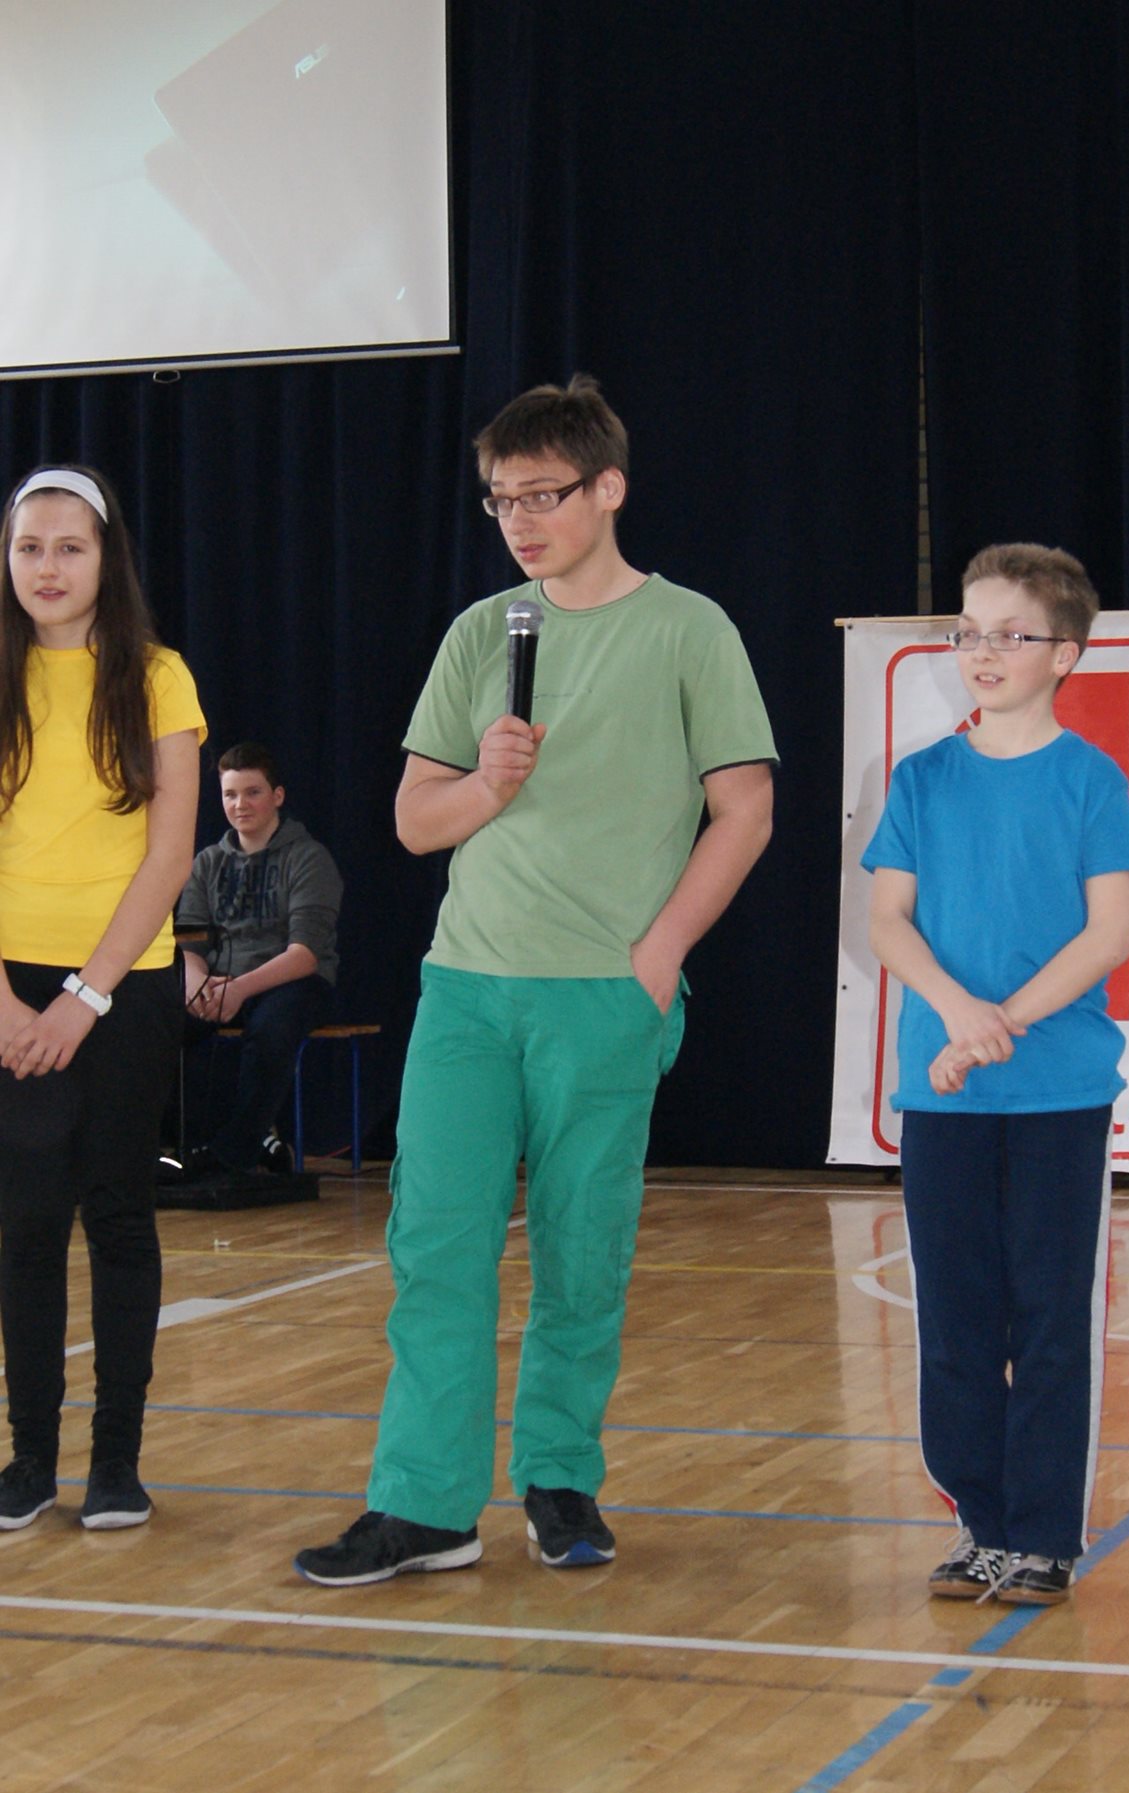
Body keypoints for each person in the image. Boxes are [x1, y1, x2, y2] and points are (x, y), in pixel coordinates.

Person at [295, 374, 777, 1585]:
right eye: (500, 499)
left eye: (542, 494)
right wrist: (487, 784)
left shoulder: (690, 629)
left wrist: (658, 955)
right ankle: (425, 1505)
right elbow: (414, 821)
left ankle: (559, 1479)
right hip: (468, 986)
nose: (519, 519)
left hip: (604, 995)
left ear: (608, 488)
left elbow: (746, 807)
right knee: (437, 1248)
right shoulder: (482, 631)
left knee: (581, 1254)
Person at [863, 543, 1129, 1605]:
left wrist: (1004, 1022)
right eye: (968, 631)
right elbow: (888, 920)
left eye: (1009, 634)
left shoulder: (1091, 779)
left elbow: (1109, 930)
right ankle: (980, 1523)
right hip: (942, 1090)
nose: (982, 651)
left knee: (1049, 1316)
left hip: (1057, 1094)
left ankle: (1042, 1534)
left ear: (1064, 654)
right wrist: (956, 1009)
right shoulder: (921, 779)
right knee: (956, 1315)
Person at [0, 465, 205, 1532]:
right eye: (29, 546)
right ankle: (29, 1458)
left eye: (69, 547)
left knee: (118, 1214)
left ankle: (115, 1461)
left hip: (122, 985)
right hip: (9, 991)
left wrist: (84, 996)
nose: (48, 566)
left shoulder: (158, 676)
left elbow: (170, 856)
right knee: (24, 1226)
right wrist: (6, 1004)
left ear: (104, 557)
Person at [172, 742, 342, 1178]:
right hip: (219, 981)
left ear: (277, 796)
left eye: (252, 792)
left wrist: (240, 989)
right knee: (157, 1027)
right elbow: (189, 941)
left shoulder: (308, 858)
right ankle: (175, 1147)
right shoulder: (207, 862)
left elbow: (304, 955)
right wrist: (195, 982)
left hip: (291, 981)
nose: (240, 804)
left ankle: (238, 1150)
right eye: (230, 794)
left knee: (271, 1032)